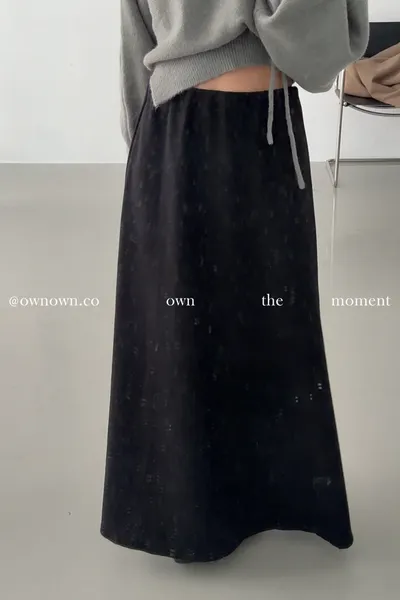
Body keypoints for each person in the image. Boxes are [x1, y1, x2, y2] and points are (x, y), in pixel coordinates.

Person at [101, 0, 370, 563]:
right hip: (176, 133)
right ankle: (192, 513)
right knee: (184, 333)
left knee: (271, 327)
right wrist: (143, 159)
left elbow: (315, 57)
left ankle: (256, 500)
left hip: (258, 136)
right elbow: (135, 33)